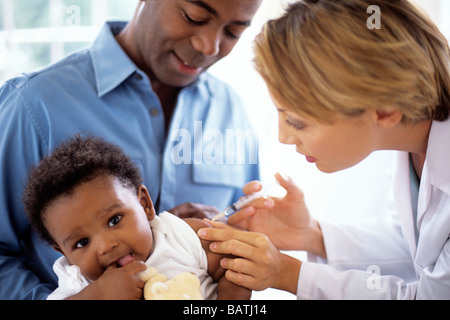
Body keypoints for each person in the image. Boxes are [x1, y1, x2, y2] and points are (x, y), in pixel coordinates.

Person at [0, 0, 261, 299]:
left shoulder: (232, 111)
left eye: (233, 32)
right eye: (194, 17)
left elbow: (242, 245)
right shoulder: (32, 104)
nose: (208, 46)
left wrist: (175, 235)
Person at [198, 0, 450, 299]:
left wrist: (288, 274)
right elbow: (414, 246)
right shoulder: (413, 146)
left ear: (384, 111)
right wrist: (310, 236)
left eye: (297, 122)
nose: (283, 137)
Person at [22, 135, 251, 300]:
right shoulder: (78, 283)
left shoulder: (182, 235)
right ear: (64, 253)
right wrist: (99, 295)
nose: (105, 246)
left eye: (114, 220)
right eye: (82, 242)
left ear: (144, 204)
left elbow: (235, 269)